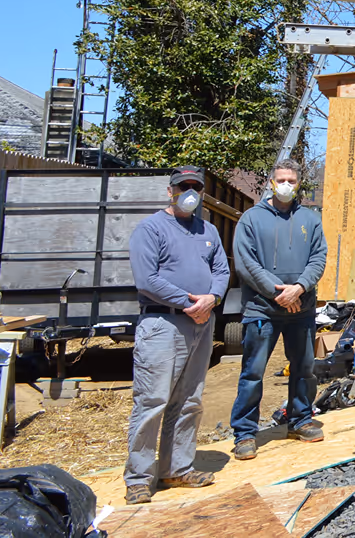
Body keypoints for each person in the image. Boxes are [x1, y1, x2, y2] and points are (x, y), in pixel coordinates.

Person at [123, 165, 232, 505]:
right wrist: (188, 302)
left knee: (189, 400)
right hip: (163, 325)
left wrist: (212, 298)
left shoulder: (208, 230)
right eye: (182, 186)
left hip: (201, 323)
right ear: (169, 191)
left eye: (195, 187)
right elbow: (147, 279)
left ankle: (177, 468)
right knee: (152, 400)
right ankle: (139, 477)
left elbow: (222, 269)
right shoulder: (151, 229)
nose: (189, 192)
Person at [229, 159, 329, 460]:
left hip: (301, 309)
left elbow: (318, 258)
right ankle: (245, 433)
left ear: (299, 184)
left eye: (292, 181)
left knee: (303, 368)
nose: (286, 185)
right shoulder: (251, 219)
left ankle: (299, 420)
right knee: (253, 372)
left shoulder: (310, 219)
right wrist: (277, 293)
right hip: (262, 310)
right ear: (272, 182)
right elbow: (247, 263)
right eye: (281, 179)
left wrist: (299, 287)